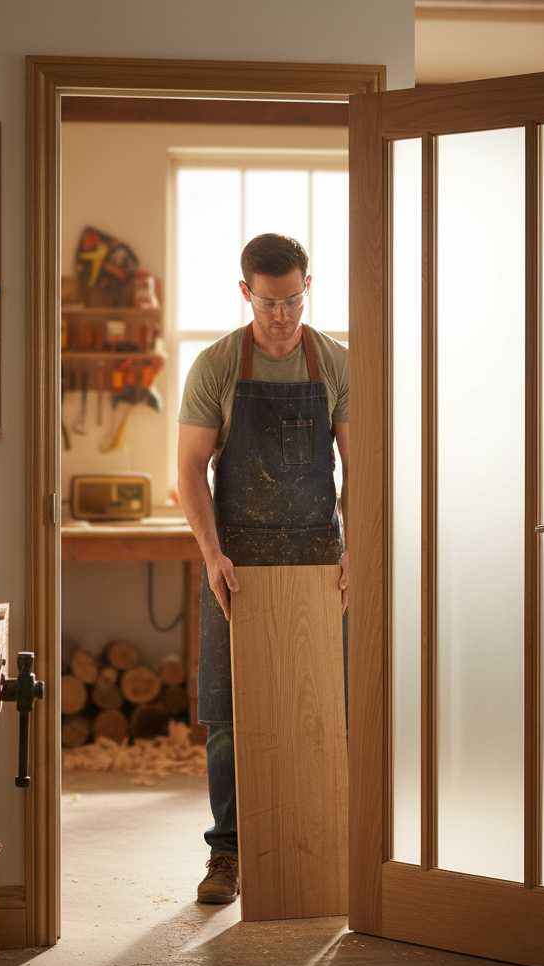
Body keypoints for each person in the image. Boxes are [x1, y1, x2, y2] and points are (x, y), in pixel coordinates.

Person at [176, 233, 349, 904]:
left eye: (295, 300)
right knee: (226, 711)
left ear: (310, 287)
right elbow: (190, 469)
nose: (283, 316)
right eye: (271, 302)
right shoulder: (217, 365)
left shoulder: (334, 362)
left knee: (324, 707)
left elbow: (359, 467)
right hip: (236, 558)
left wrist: (354, 546)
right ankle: (228, 854)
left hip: (316, 555)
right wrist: (211, 554)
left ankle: (322, 842)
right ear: (245, 292)